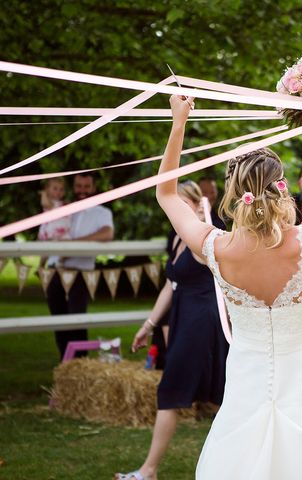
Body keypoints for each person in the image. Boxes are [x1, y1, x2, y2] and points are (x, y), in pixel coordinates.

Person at [157, 93, 302, 479]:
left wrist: (179, 121)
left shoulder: (214, 247)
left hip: (249, 374)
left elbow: (165, 192)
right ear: (281, 187)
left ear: (235, 192)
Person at [115, 181, 229, 480]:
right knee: (216, 394)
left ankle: (148, 470)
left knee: (173, 390)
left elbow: (225, 272)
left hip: (201, 321)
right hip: (183, 316)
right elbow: (171, 282)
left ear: (196, 203)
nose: (174, 210)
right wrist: (149, 325)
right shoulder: (178, 236)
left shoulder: (205, 234)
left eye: (181, 204)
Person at [46, 173, 114, 359]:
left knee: (77, 318)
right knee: (58, 319)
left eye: (86, 186)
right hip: (54, 270)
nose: (82, 191)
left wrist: (74, 245)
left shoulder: (102, 212)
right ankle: (65, 363)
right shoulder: (63, 208)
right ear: (73, 187)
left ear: (93, 187)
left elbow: (107, 234)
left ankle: (80, 362)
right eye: (79, 186)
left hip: (81, 272)